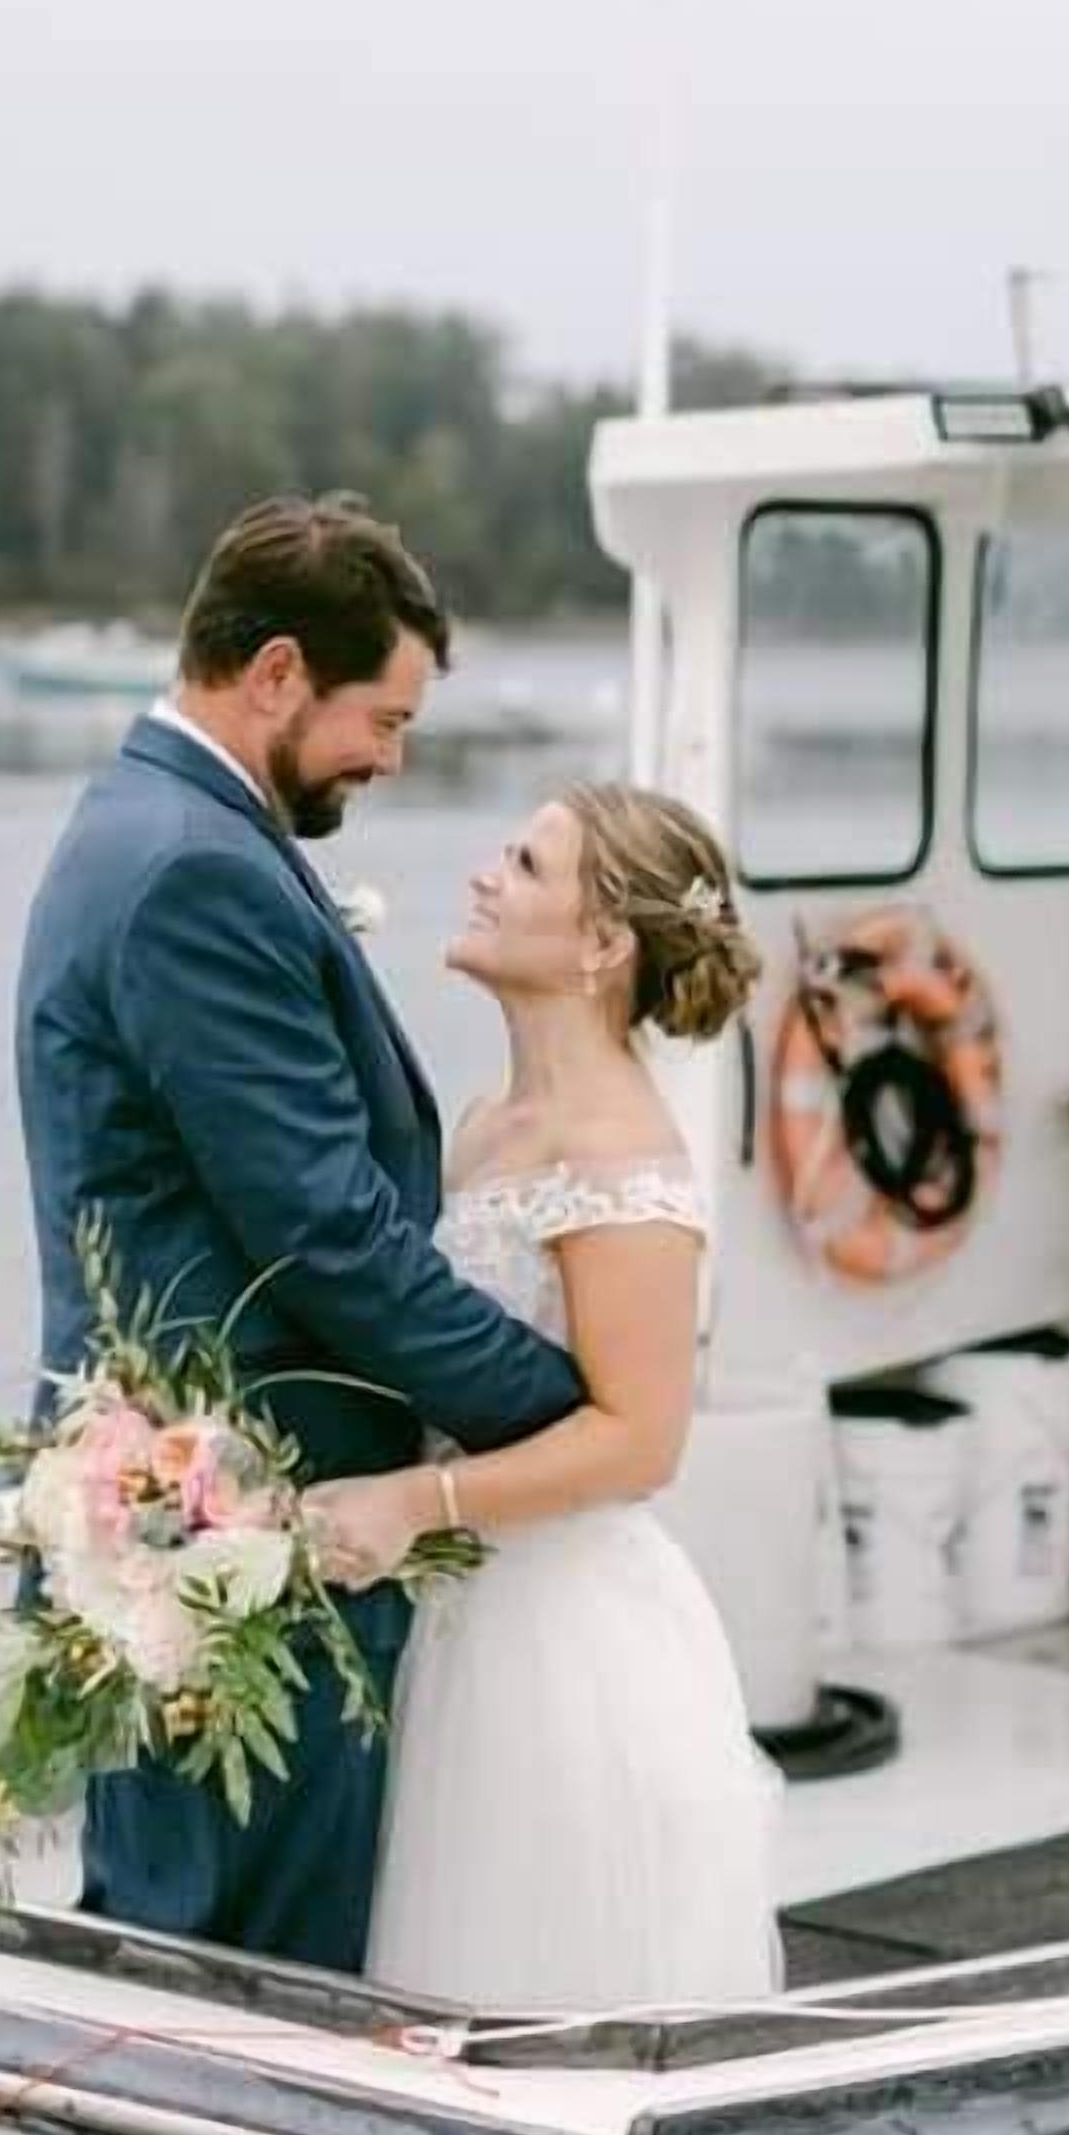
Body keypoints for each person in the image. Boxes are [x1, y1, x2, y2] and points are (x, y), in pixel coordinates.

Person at [13, 494, 584, 1971]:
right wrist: (564, 1414)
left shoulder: (157, 822)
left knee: (202, 1934)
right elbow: (326, 1233)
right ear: (274, 673)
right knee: (241, 1960)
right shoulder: (195, 868)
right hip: (244, 1523)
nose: (388, 761)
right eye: (379, 720)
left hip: (198, 1503)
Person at [306, 781, 785, 2009]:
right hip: (460, 1617)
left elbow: (640, 1441)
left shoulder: (622, 1158)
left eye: (521, 864)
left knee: (535, 1983)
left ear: (601, 943)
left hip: (564, 1640)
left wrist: (418, 1500)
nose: (482, 874)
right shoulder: (478, 1125)